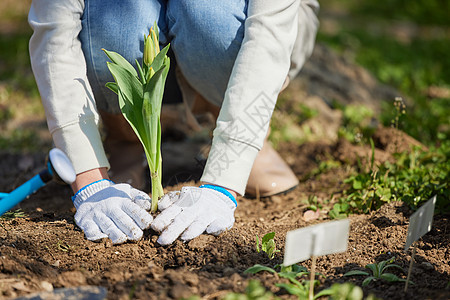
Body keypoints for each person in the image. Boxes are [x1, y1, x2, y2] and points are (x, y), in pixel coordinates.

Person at [28, 0, 319, 245]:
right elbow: (55, 30)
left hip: (243, 23)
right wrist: (88, 178)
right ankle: (123, 136)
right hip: (132, 26)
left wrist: (224, 179)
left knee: (207, 12)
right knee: (115, 17)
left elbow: (269, 35)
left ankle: (241, 138)